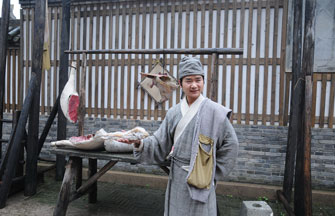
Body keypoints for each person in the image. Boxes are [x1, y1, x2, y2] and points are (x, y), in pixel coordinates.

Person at [118, 56, 239, 216]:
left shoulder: (215, 112)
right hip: (178, 178)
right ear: (181, 84)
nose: (194, 85)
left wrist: (212, 172)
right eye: (188, 80)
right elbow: (159, 142)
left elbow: (231, 145)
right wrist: (140, 144)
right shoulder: (174, 113)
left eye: (198, 80)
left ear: (203, 82)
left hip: (201, 179)